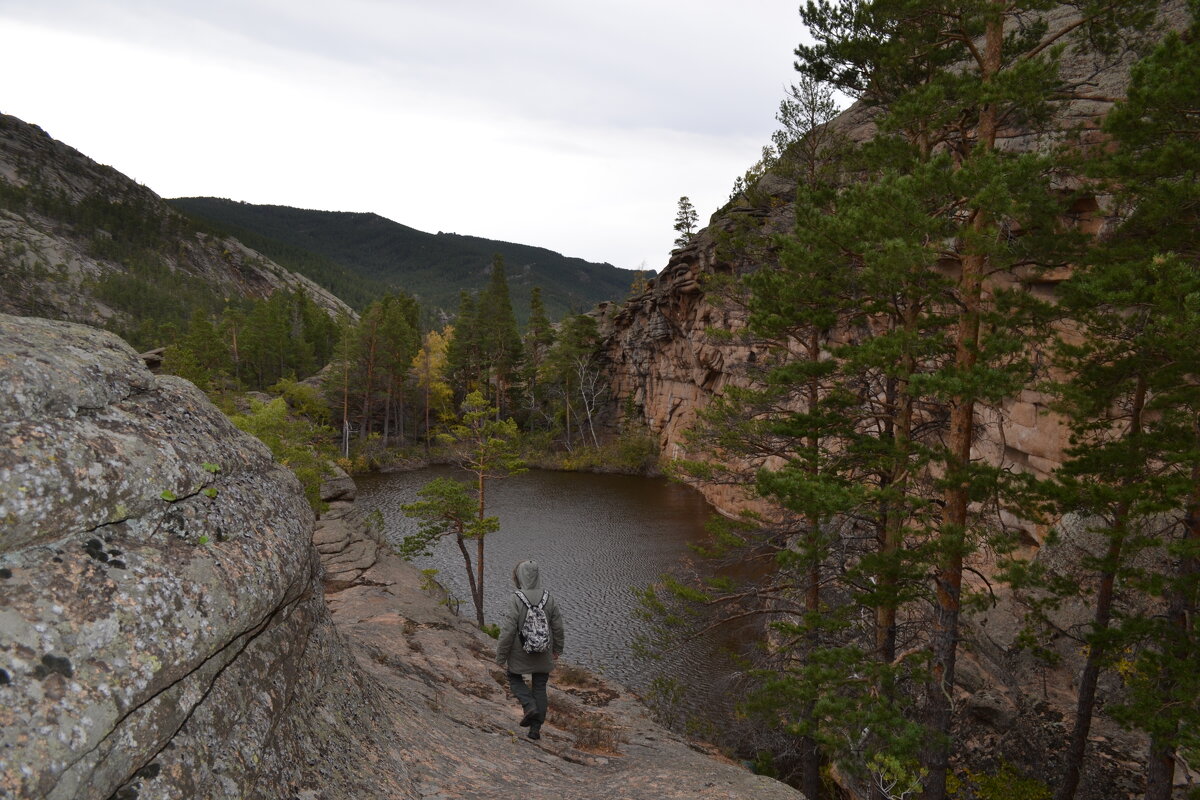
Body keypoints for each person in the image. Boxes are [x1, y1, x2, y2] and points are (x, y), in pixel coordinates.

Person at [495, 559, 565, 740]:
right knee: (540, 686)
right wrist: (557, 649)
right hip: (543, 651)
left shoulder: (516, 598)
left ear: (519, 576)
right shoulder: (549, 597)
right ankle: (535, 730)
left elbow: (508, 630)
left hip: (520, 653)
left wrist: (501, 656)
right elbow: (558, 627)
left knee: (514, 677)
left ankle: (529, 705)